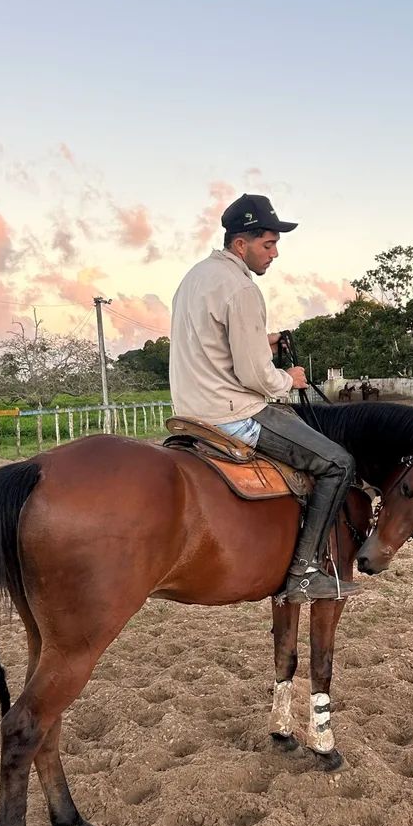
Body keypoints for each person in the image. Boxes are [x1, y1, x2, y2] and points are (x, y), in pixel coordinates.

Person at [169, 193, 359, 602]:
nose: (274, 254)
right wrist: (289, 379)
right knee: (339, 464)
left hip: (191, 408)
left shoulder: (194, 278)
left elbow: (213, 342)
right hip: (233, 411)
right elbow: (254, 375)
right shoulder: (241, 289)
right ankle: (304, 572)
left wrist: (265, 340)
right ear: (241, 244)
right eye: (268, 245)